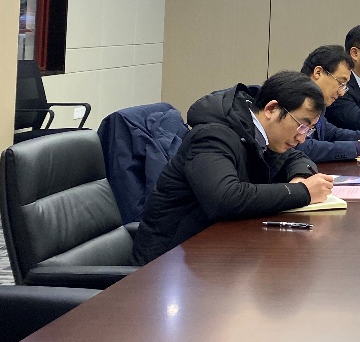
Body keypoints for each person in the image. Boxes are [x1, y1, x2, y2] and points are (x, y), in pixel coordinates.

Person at [132, 72, 335, 265]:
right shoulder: (213, 136)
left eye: (309, 130)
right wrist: (302, 192)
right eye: (301, 125)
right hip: (168, 263)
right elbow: (225, 198)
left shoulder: (261, 135)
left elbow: (296, 157)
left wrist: (300, 176)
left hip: (214, 252)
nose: (302, 138)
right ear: (271, 109)